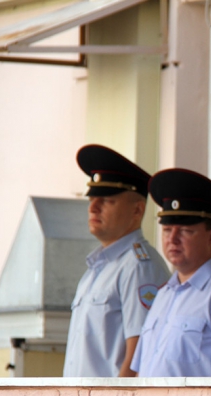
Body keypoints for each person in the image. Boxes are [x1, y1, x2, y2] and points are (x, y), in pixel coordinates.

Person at [63, 145, 170, 378]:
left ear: (137, 210)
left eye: (106, 200)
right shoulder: (97, 269)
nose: (93, 206)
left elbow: (140, 354)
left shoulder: (139, 266)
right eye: (92, 198)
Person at [130, 168, 211, 377]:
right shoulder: (164, 294)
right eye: (167, 230)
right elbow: (142, 371)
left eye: (185, 231)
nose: (172, 239)